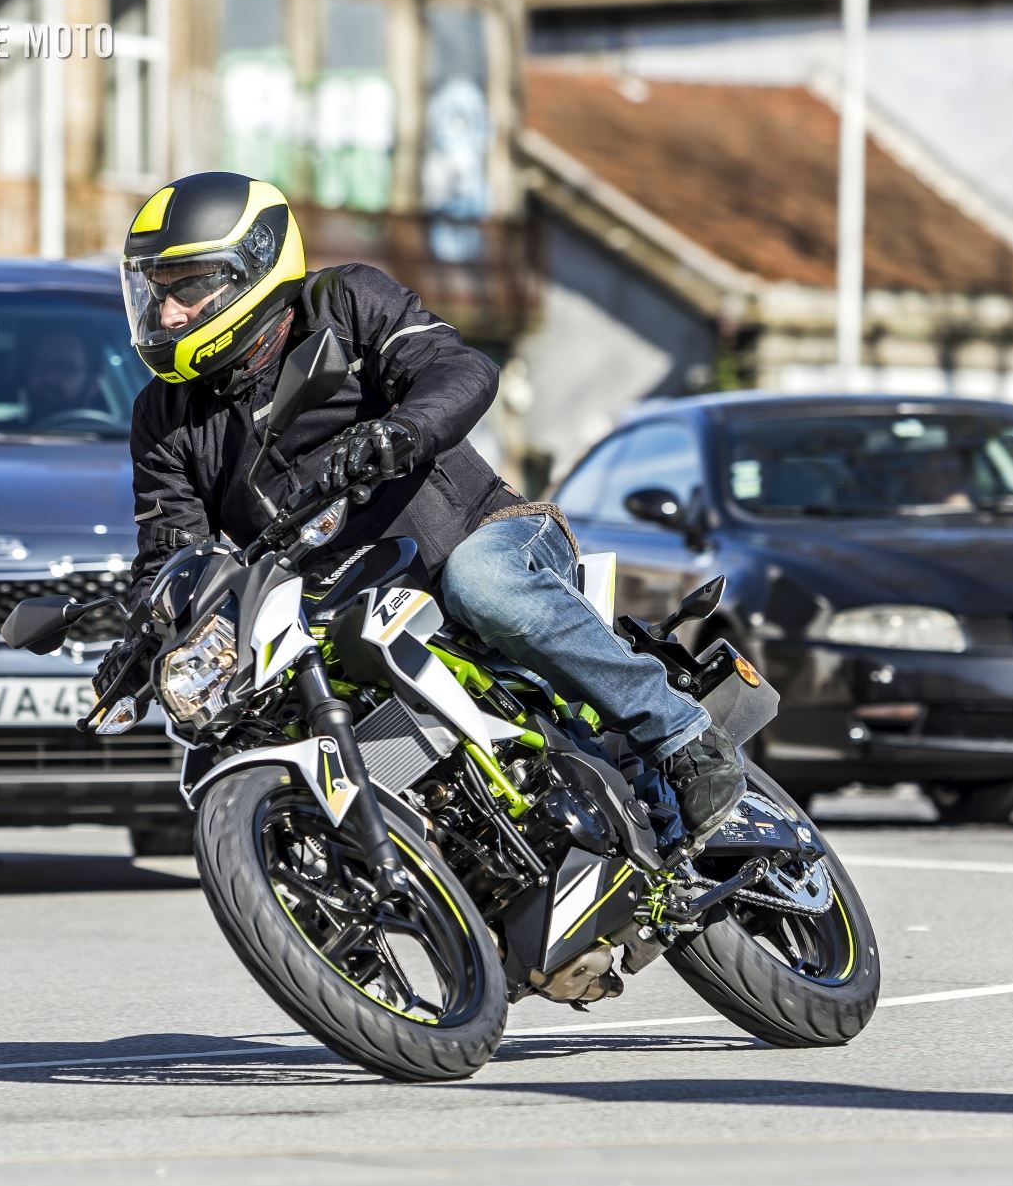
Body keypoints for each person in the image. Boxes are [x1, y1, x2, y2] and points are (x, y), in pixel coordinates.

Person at [100, 171, 743, 849]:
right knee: (249, 718)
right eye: (156, 291)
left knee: (482, 583)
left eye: (189, 287)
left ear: (253, 268)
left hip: (481, 537)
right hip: (343, 608)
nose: (168, 315)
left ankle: (681, 736)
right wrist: (143, 634)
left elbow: (460, 369)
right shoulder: (164, 417)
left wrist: (403, 429)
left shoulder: (345, 302)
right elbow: (171, 549)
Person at [20, 328, 105, 423]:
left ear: (93, 384)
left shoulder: (109, 431)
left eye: (65, 369)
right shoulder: (7, 429)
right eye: (40, 365)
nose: (48, 378)